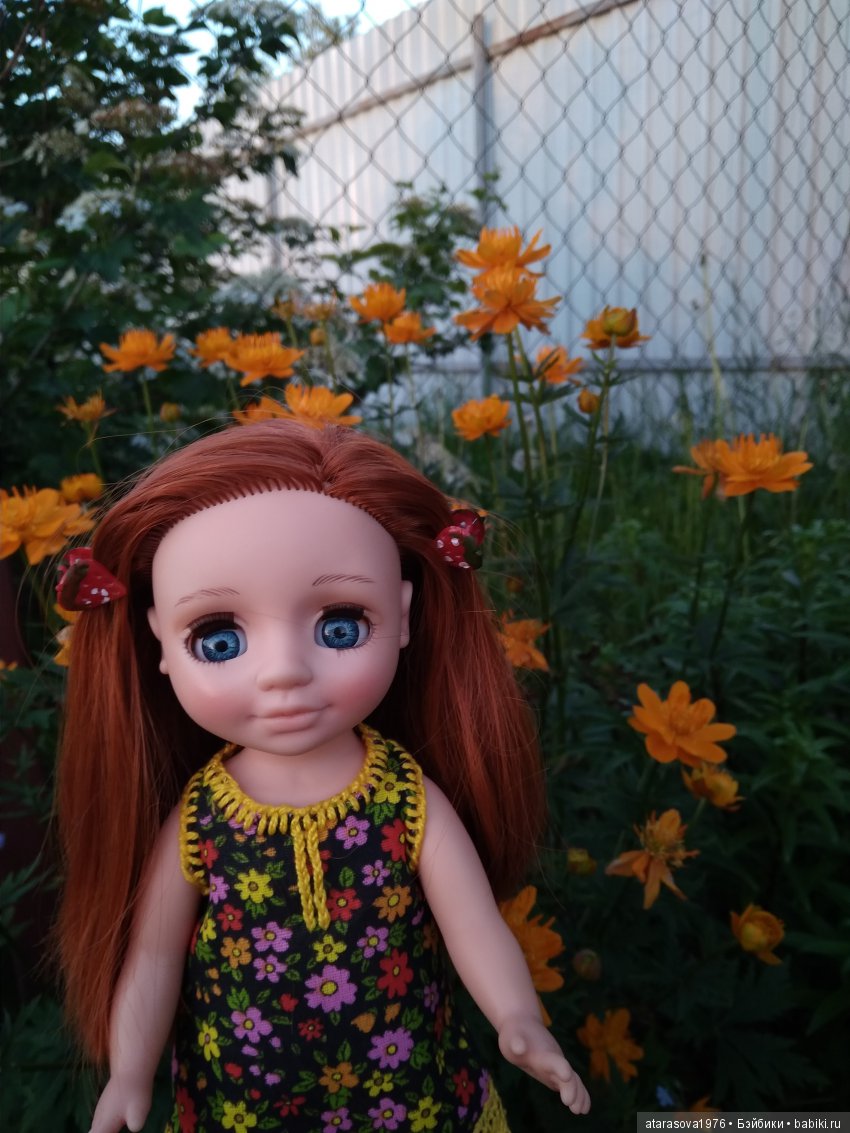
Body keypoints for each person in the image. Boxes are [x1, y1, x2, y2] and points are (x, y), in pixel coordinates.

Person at [55, 419, 590, 1132]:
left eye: (341, 626)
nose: (283, 672)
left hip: (408, 1095)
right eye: (219, 638)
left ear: (403, 616)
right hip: (244, 1103)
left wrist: (517, 1016)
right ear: (158, 641)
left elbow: (473, 924)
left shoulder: (405, 797)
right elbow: (153, 956)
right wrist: (129, 1071)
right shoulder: (200, 817)